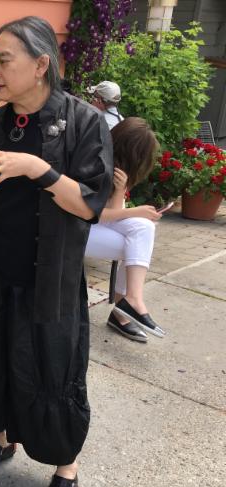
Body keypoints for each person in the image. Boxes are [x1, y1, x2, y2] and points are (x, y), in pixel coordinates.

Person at [0, 16, 113, 487]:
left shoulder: (84, 123)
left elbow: (89, 204)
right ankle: (1, 438)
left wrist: (37, 169)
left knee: (52, 367)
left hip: (48, 275)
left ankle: (66, 465)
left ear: (41, 65)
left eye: (4, 60)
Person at [85, 117, 164, 341]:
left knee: (143, 229)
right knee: (137, 243)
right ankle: (125, 308)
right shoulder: (96, 166)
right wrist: (135, 211)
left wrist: (120, 191)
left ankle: (129, 302)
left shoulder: (117, 170)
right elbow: (90, 213)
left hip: (92, 227)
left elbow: (113, 213)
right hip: (73, 229)